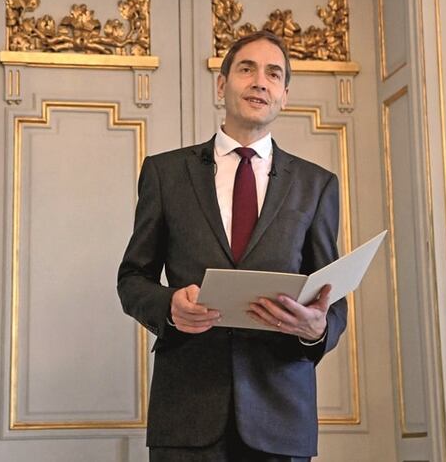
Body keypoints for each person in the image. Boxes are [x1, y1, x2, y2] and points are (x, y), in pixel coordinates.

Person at [117, 30, 347, 461]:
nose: (260, 81)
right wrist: (169, 305)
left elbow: (331, 301)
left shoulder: (317, 185)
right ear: (222, 85)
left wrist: (318, 330)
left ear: (284, 95)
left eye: (273, 74)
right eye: (247, 69)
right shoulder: (166, 174)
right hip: (186, 411)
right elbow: (132, 278)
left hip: (281, 412)